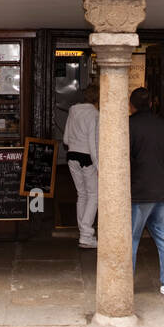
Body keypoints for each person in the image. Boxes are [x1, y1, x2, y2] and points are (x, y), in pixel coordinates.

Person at [128, 86, 164, 299]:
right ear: (151, 103)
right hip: (162, 190)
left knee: (131, 238)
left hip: (139, 191)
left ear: (131, 105)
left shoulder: (129, 126)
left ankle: (124, 285)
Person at [64, 83, 99, 249]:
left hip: (72, 155)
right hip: (87, 157)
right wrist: (98, 165)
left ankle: (83, 232)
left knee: (82, 194)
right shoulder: (95, 114)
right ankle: (86, 234)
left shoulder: (73, 110)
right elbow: (93, 142)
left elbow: (65, 139)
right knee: (94, 195)